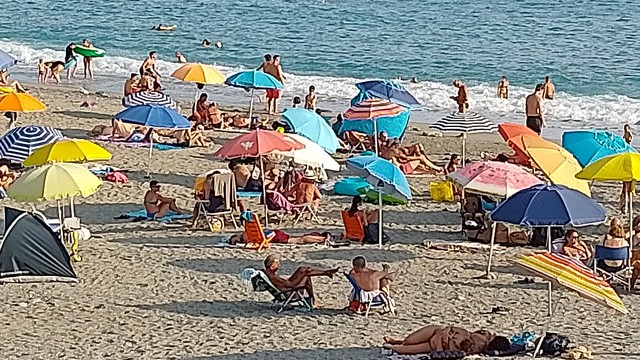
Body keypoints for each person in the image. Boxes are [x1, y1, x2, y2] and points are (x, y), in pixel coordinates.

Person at [263, 254, 338, 308]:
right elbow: (291, 284)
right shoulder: (273, 277)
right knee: (306, 276)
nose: (279, 264)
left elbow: (286, 283)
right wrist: (302, 275)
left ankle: (326, 273)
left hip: (286, 290)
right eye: (277, 263)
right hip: (290, 294)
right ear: (272, 266)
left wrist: (302, 273)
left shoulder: (268, 273)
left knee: (302, 269)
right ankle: (313, 300)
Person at [383, 326, 509, 355]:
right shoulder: (479, 338)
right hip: (437, 337)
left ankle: (395, 344)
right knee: (408, 343)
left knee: (407, 347)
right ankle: (396, 342)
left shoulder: (477, 344)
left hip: (438, 339)